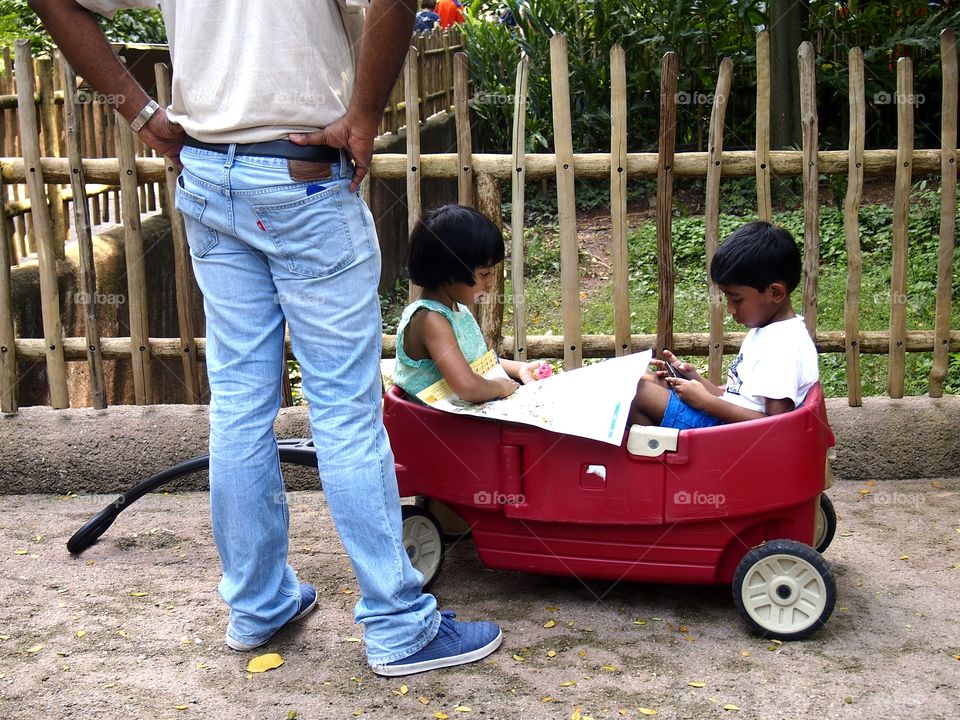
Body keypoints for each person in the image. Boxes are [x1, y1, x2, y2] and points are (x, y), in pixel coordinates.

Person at [30, 0, 502, 677]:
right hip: (301, 178)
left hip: (210, 181)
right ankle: (399, 624)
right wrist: (365, 116)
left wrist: (140, 112)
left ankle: (257, 605)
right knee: (343, 408)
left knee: (241, 403)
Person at [629, 221, 819, 429]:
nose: (730, 309)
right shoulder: (768, 332)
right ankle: (662, 455)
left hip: (734, 439)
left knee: (639, 393)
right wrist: (694, 378)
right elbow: (735, 398)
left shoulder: (783, 347)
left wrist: (705, 401)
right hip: (727, 424)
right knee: (647, 382)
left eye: (736, 299)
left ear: (775, 293)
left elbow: (773, 425)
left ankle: (668, 459)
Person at [394, 204, 549, 401]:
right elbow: (468, 387)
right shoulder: (430, 320)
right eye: (484, 273)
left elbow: (472, 364)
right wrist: (500, 388)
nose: (492, 281)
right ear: (448, 273)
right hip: (432, 423)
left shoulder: (455, 307)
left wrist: (518, 368)